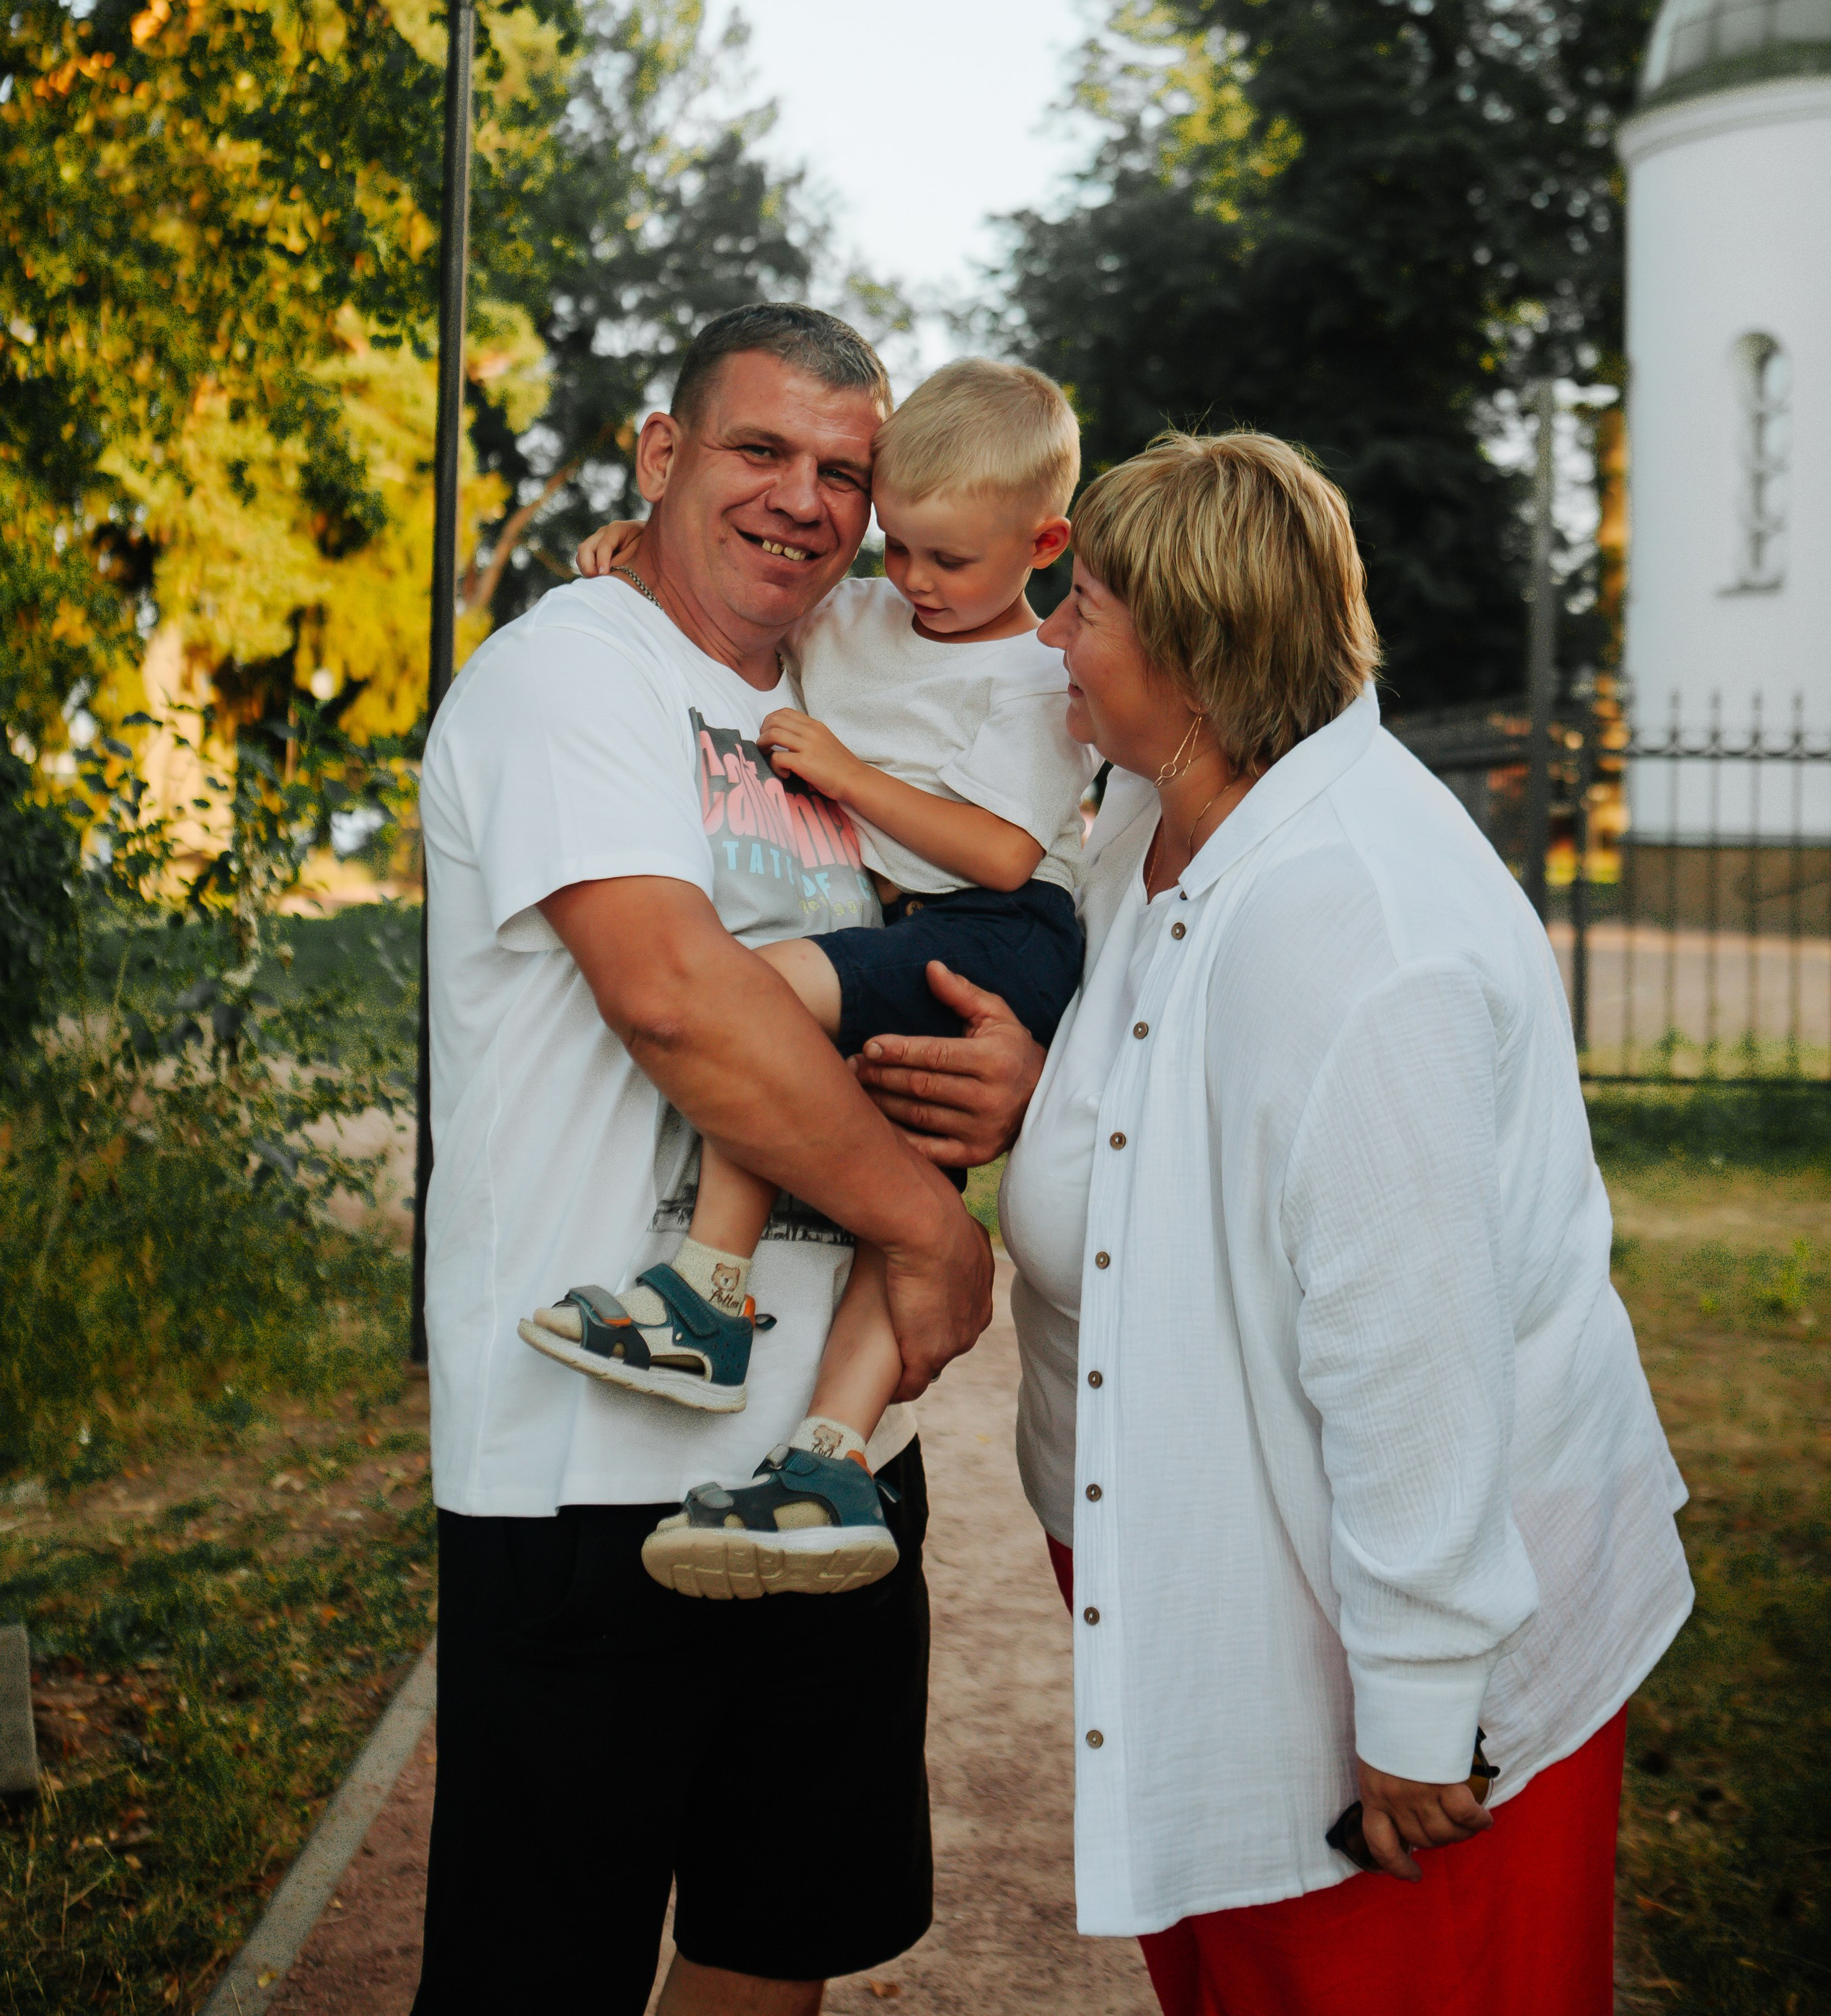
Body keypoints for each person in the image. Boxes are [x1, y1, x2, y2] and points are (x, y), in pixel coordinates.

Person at [853, 430, 1694, 2016]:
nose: (1047, 633)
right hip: (1212, 1553)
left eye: (1079, 605)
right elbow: (1179, 1077)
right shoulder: (1156, 812)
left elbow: (1415, 1351)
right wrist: (1051, 1098)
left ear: (1191, 651)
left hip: (1381, 1620)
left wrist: (1421, 1703)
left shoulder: (1358, 937)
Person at [411, 304, 992, 2016]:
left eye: (843, 472)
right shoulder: (572, 669)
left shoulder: (841, 701)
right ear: (660, 457)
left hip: (824, 1465)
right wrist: (928, 1240)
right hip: (586, 1466)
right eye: (758, 451)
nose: (802, 500)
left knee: (774, 1936)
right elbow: (674, 998)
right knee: (544, 1973)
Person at [536, 358, 1096, 1598]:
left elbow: (1005, 850)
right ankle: (831, 1459)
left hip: (1000, 926)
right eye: (896, 549)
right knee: (902, 1198)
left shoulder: (1036, 678)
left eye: (949, 561)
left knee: (762, 998)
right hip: (911, 926)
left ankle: (706, 1293)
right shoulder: (862, 618)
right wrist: (645, 544)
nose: (912, 582)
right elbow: (754, 592)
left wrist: (843, 774)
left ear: (1044, 541)